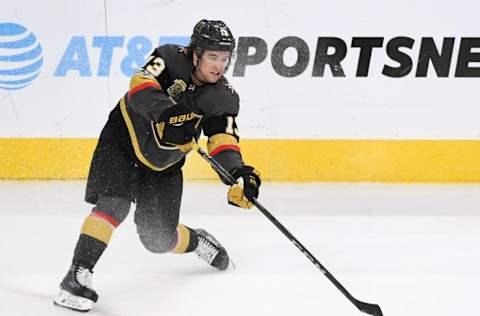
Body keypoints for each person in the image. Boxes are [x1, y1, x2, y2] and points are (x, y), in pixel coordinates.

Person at [53, 19, 261, 312]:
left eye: (225, 59)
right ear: (195, 53)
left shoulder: (223, 96)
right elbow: (139, 87)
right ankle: (76, 275)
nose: (219, 66)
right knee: (114, 205)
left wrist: (238, 173)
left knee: (158, 240)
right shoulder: (167, 57)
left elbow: (222, 138)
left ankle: (197, 240)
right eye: (213, 56)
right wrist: (168, 115)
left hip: (165, 165)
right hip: (122, 141)